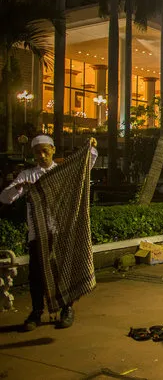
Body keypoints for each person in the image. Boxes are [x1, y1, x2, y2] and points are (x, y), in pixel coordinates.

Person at [0, 135, 98, 331]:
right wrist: (19, 187)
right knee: (36, 275)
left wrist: (91, 148)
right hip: (37, 234)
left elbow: (85, 165)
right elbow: (4, 198)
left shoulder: (62, 172)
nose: (42, 155)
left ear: (53, 150)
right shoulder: (27, 175)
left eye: (46, 150)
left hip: (60, 231)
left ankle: (67, 309)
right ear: (33, 154)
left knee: (63, 271)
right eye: (38, 152)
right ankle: (36, 312)